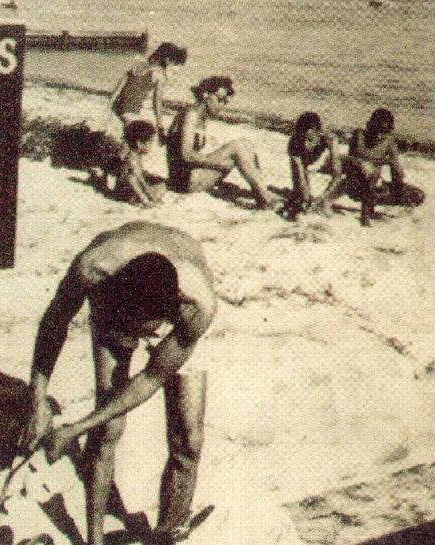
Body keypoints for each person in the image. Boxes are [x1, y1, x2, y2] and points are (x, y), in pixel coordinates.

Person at [18, 221, 217, 545]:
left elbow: (151, 378)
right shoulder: (94, 267)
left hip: (174, 314)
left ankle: (171, 528)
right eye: (134, 329)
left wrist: (72, 429)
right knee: (108, 428)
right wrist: (37, 397)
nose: (140, 338)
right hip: (116, 306)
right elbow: (55, 320)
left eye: (144, 330)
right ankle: (94, 540)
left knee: (188, 440)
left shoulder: (198, 306)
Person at [165, 76, 277, 209]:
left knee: (246, 144)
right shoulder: (191, 115)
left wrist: (221, 161)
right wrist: (219, 162)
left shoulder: (200, 116)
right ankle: (264, 198)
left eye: (225, 102)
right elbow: (186, 154)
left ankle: (261, 190)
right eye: (220, 100)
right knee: (238, 147)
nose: (222, 105)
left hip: (193, 175)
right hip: (183, 181)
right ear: (206, 95)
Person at [314, 108, 420, 226]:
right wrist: (382, 161)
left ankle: (372, 207)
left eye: (383, 132)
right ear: (370, 126)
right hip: (354, 185)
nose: (379, 135)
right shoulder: (360, 135)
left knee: (417, 195)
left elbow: (396, 172)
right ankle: (364, 214)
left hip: (373, 187)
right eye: (377, 130)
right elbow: (352, 162)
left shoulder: (389, 142)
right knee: (364, 169)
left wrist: (398, 187)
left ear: (389, 131)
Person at [110, 42, 188, 139]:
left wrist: (110, 104)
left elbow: (120, 86)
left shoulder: (138, 65)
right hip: (131, 110)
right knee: (139, 140)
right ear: (167, 61)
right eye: (175, 65)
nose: (175, 70)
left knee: (130, 139)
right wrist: (160, 126)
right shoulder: (159, 75)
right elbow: (157, 102)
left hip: (118, 106)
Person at [284, 112, 341, 221]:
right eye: (303, 139)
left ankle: (325, 202)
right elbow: (300, 176)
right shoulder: (294, 143)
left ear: (319, 133)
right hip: (306, 165)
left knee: (348, 170)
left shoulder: (330, 139)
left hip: (325, 164)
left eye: (310, 140)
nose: (305, 144)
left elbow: (337, 174)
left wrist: (323, 197)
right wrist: (306, 198)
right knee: (301, 196)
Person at [113, 120, 167, 207]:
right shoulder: (132, 158)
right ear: (139, 144)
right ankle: (144, 201)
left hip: (131, 189)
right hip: (124, 190)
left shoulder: (136, 155)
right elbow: (139, 179)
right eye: (149, 142)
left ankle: (143, 198)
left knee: (161, 185)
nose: (151, 146)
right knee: (132, 178)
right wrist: (148, 192)